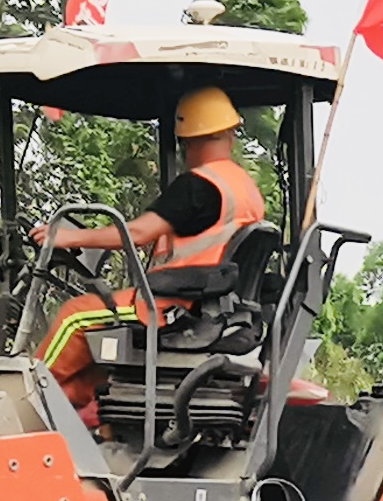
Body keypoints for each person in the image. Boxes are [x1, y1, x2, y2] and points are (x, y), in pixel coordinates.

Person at [38, 86, 274, 420]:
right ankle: (72, 414)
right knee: (96, 357)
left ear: (189, 139)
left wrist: (67, 237)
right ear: (230, 133)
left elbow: (136, 233)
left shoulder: (198, 185)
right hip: (216, 310)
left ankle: (26, 393)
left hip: (175, 308)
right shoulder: (245, 189)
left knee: (75, 315)